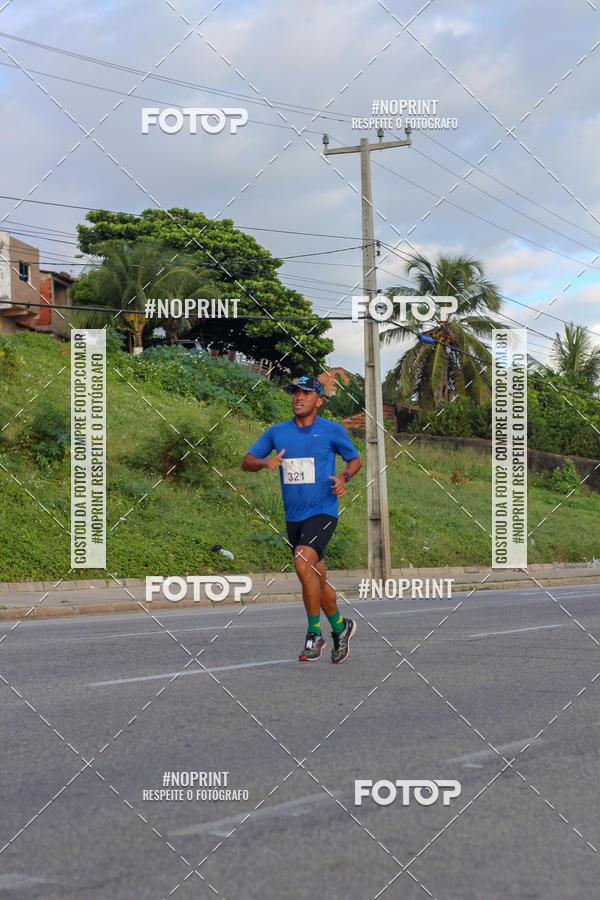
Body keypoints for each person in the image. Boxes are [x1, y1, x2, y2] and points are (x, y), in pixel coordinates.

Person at [241, 375, 362, 663]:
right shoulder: (277, 433)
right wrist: (264, 462)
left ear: (318, 401)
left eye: (306, 393)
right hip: (294, 516)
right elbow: (246, 461)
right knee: (316, 578)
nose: (298, 397)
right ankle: (341, 627)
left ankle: (313, 634)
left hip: (322, 511)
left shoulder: (331, 430)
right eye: (295, 392)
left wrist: (343, 477)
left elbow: (354, 460)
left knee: (302, 562)